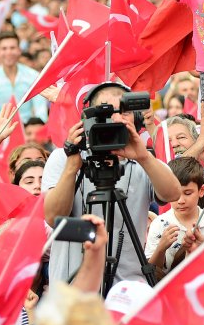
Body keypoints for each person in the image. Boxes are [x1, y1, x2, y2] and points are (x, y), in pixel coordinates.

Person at [43, 82, 181, 287]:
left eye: (124, 112)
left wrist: (143, 157)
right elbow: (54, 217)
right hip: (72, 291)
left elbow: (173, 193)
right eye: (107, 111)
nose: (116, 118)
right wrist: (73, 164)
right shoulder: (63, 159)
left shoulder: (143, 162)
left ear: (136, 118)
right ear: (88, 119)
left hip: (126, 290)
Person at [145, 157, 204, 275]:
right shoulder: (160, 223)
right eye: (176, 193)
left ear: (202, 190)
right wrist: (161, 248)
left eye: (188, 193)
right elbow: (152, 272)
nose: (181, 201)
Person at [0, 31, 47, 126]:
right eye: (4, 48)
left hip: (30, 131)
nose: (8, 52)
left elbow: (41, 112)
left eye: (12, 48)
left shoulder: (34, 76)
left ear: (19, 50)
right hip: (2, 134)